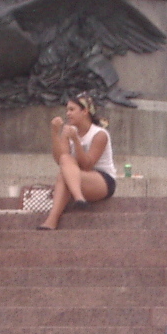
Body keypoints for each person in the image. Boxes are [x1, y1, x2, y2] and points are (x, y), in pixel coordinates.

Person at [37, 92, 116, 230]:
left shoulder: (99, 134)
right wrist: (55, 133)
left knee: (64, 176)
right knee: (65, 161)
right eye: (67, 110)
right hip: (76, 176)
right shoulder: (69, 131)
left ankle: (54, 218)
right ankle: (77, 199)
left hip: (102, 180)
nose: (68, 113)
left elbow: (87, 165)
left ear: (85, 111)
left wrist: (76, 141)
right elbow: (60, 159)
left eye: (72, 109)